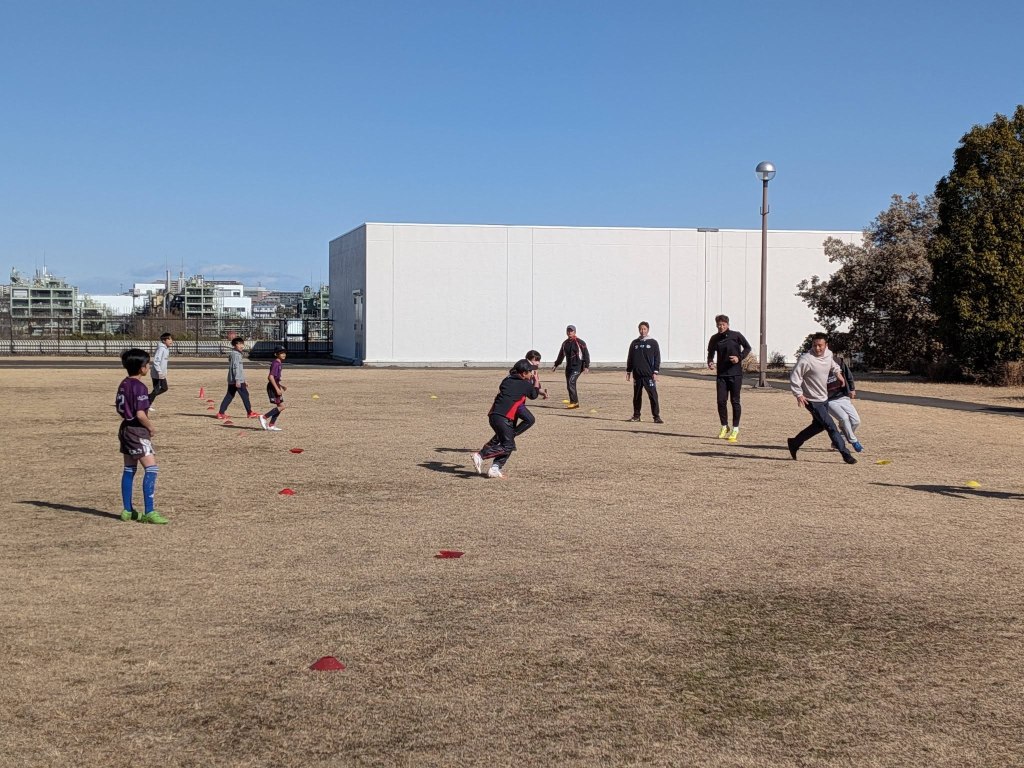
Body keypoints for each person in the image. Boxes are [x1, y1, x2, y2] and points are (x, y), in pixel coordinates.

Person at [115, 348, 168, 524]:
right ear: (141, 368)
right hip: (137, 431)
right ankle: (149, 512)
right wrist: (150, 427)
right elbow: (140, 414)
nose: (149, 366)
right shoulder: (140, 387)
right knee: (151, 469)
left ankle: (128, 510)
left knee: (129, 469)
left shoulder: (124, 383)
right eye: (147, 364)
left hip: (125, 429)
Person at [787, 333, 857, 464]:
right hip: (811, 400)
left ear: (826, 345)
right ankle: (845, 454)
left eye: (820, 345)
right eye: (814, 345)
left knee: (819, 426)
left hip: (823, 398)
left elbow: (832, 364)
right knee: (831, 426)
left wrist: (838, 373)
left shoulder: (828, 354)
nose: (817, 348)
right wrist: (798, 394)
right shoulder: (806, 360)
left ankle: (794, 442)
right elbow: (795, 376)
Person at [472, 359, 542, 478]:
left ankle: (495, 468)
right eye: (530, 372)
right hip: (503, 418)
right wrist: (536, 381)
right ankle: (480, 455)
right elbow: (534, 395)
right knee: (508, 446)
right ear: (523, 373)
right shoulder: (524, 384)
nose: (531, 374)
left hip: (494, 415)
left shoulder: (507, 380)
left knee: (509, 443)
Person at [706, 315, 752, 442]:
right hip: (721, 375)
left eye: (723, 324)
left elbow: (747, 347)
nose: (721, 327)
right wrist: (710, 362)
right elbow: (710, 353)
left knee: (735, 401)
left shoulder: (736, 335)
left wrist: (739, 357)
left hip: (735, 374)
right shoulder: (714, 338)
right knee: (721, 401)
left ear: (727, 324)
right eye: (719, 325)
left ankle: (735, 428)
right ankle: (724, 426)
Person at [216, 336, 261, 421]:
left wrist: (244, 379)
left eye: (242, 344)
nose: (242, 346)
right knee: (245, 395)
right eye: (240, 344)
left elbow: (239, 369)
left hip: (234, 379)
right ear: (235, 345)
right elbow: (236, 368)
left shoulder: (235, 354)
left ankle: (221, 413)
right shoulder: (236, 355)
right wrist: (238, 380)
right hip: (237, 380)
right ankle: (250, 412)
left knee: (229, 395)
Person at [626, 321, 663, 423]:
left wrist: (655, 372)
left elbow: (657, 358)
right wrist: (628, 371)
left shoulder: (653, 343)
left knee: (653, 396)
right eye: (641, 329)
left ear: (648, 330)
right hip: (637, 375)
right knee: (637, 396)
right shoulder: (634, 343)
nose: (642, 331)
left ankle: (656, 417)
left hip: (648, 375)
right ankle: (636, 416)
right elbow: (630, 357)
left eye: (644, 329)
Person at [827, 354, 863, 452]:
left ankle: (837, 442)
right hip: (829, 400)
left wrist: (852, 388)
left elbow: (848, 375)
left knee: (856, 421)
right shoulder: (816, 365)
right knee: (844, 418)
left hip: (843, 397)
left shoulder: (838, 361)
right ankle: (854, 441)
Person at [552, 325, 590, 409]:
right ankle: (573, 401)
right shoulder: (565, 343)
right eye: (568, 331)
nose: (569, 332)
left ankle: (574, 402)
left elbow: (586, 354)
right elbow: (561, 355)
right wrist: (556, 364)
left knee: (571, 382)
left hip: (578, 366)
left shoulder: (580, 342)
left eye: (571, 331)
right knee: (569, 384)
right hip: (569, 367)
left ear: (574, 332)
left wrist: (586, 366)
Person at [513, 350, 548, 436]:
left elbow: (535, 388)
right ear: (528, 360)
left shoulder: (534, 371)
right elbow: (532, 394)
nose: (538, 363)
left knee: (510, 426)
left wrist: (542, 392)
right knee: (529, 420)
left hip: (519, 401)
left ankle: (506, 439)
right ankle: (507, 438)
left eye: (539, 360)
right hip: (514, 401)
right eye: (536, 360)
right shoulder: (522, 369)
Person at [259, 346, 288, 431]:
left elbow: (275, 378)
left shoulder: (279, 363)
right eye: (281, 353)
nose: (284, 354)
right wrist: (277, 389)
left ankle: (271, 425)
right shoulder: (276, 363)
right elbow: (270, 377)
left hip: (276, 386)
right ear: (276, 354)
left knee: (280, 406)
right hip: (273, 387)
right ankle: (264, 417)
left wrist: (281, 386)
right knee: (281, 407)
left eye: (284, 353)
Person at [148, 332, 173, 408]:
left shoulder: (166, 349)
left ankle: (147, 399)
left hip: (161, 373)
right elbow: (156, 361)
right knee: (156, 390)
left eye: (171, 339)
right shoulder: (161, 349)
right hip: (156, 373)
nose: (171, 340)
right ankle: (147, 402)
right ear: (164, 341)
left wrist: (164, 372)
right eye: (169, 339)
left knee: (164, 388)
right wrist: (159, 372)